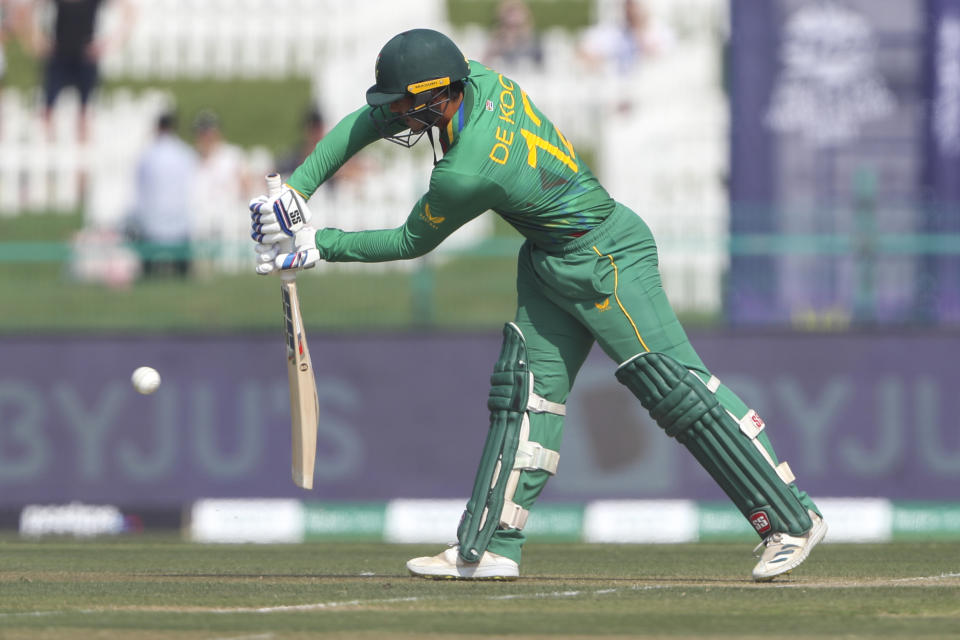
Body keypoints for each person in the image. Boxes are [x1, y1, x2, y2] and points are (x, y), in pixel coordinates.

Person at [249, 29, 827, 582]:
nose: (396, 115)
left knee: (678, 389)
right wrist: (298, 192)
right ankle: (491, 546)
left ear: (437, 96)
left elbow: (410, 241)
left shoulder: (468, 169)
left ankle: (791, 519)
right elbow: (366, 122)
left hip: (605, 256)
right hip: (550, 259)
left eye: (405, 105)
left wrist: (317, 244)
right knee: (524, 397)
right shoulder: (474, 77)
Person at [24, 0, 135, 141]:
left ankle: (82, 159)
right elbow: (28, 9)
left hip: (85, 57)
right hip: (58, 56)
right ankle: (51, 153)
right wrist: (37, 38)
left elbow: (130, 11)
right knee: (48, 111)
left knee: (85, 113)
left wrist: (110, 43)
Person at [127, 111, 198, 278]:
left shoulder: (147, 155)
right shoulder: (185, 153)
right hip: (181, 220)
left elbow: (139, 186)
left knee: (149, 261)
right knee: (182, 265)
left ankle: (148, 272)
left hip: (152, 221)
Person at [191, 109, 251, 273]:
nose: (206, 137)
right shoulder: (192, 159)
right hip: (200, 218)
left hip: (229, 215)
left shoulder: (232, 155)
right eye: (202, 132)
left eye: (209, 131)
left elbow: (246, 184)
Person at [484, 0, 543, 71]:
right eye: (509, 13)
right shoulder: (498, 36)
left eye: (516, 12)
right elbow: (486, 61)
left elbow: (540, 63)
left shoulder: (533, 37)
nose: (513, 17)